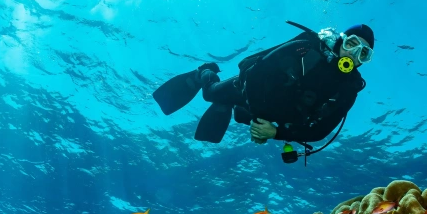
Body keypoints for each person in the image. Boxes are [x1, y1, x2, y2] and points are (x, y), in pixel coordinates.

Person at [153, 22, 373, 151]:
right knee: (210, 94)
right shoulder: (305, 49)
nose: (353, 54)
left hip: (273, 116)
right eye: (352, 44)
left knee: (240, 116)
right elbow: (258, 73)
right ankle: (204, 72)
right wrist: (261, 122)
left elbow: (320, 131)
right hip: (248, 89)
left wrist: (275, 132)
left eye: (363, 52)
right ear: (341, 41)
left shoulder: (348, 89)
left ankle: (233, 107)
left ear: (364, 61)